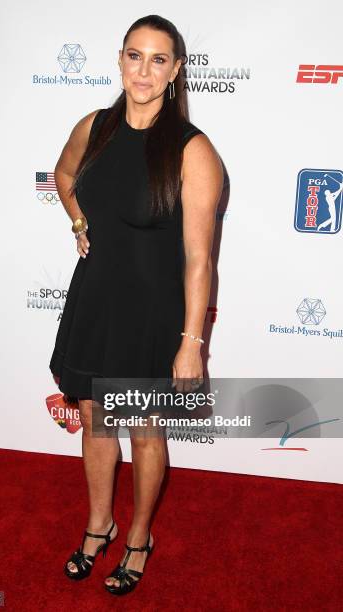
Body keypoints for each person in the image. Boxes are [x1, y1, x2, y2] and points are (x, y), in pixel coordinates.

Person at [49, 14, 223, 595]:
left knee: (145, 429)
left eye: (157, 59)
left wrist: (191, 345)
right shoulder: (94, 126)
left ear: (175, 71)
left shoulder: (192, 151)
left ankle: (139, 538)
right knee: (97, 420)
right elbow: (64, 172)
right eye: (133, 55)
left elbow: (199, 259)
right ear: (120, 60)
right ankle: (99, 525)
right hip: (95, 297)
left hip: (152, 313)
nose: (143, 70)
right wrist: (77, 219)